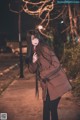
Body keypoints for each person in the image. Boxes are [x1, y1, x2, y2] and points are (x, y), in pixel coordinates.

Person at [25, 30, 72, 120]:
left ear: (38, 37)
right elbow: (32, 70)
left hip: (56, 83)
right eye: (32, 38)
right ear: (29, 41)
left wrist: (43, 74)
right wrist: (34, 61)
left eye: (35, 37)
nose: (34, 40)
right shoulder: (33, 52)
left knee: (51, 108)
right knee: (47, 109)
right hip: (47, 86)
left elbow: (56, 64)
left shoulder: (44, 48)